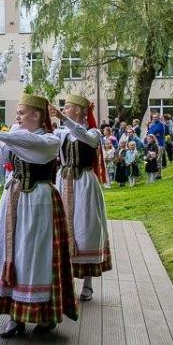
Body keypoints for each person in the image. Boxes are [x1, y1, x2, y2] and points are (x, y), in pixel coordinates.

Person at [0, 94, 78, 338]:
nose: (17, 116)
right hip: (14, 199)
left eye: (22, 112)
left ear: (37, 115)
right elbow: (3, 157)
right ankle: (16, 315)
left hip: (39, 201)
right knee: (13, 253)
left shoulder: (50, 140)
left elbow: (31, 147)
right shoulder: (17, 133)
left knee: (35, 255)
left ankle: (43, 315)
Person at [50, 95, 112, 303]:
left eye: (67, 107)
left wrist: (64, 119)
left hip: (84, 184)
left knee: (85, 228)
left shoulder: (93, 133)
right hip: (63, 181)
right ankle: (63, 281)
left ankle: (87, 283)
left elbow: (85, 136)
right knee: (61, 230)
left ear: (79, 110)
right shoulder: (61, 133)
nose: (64, 109)